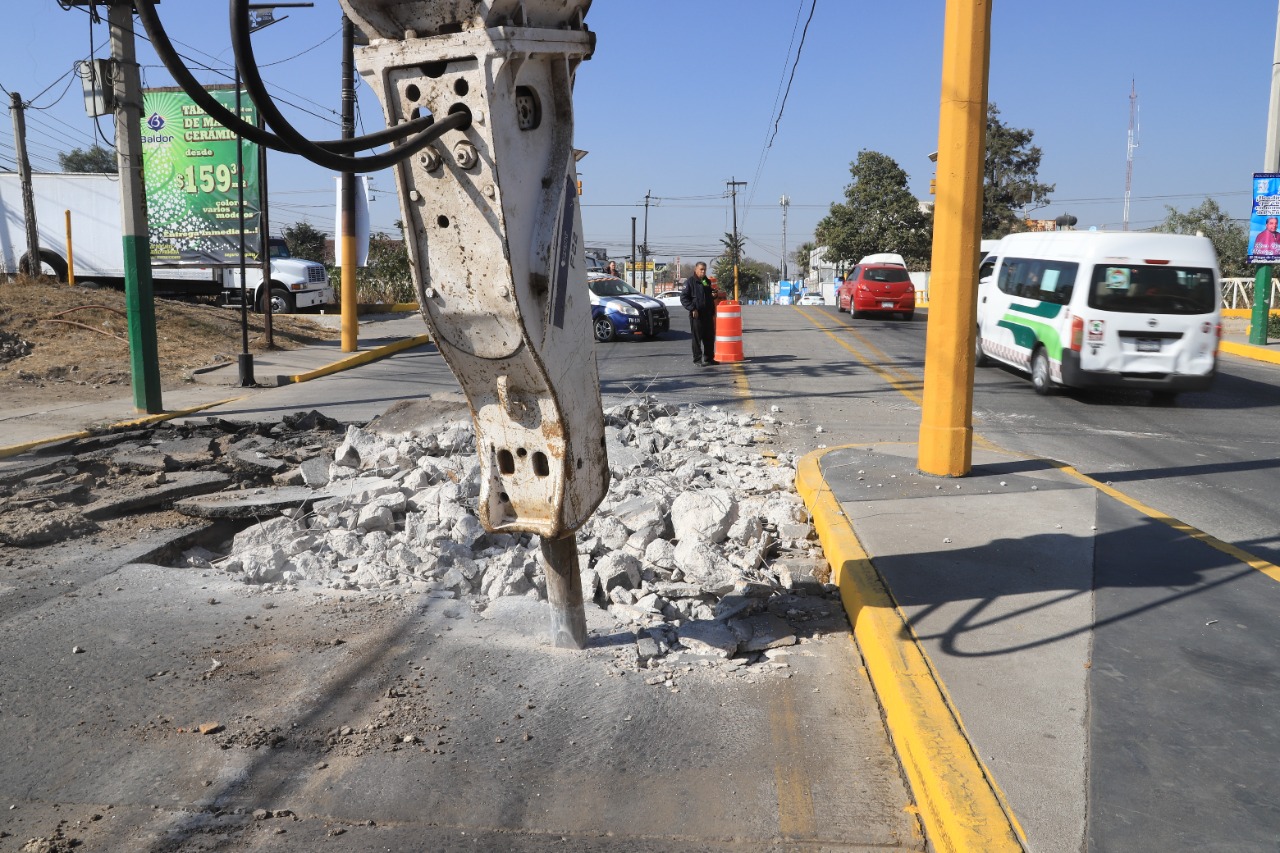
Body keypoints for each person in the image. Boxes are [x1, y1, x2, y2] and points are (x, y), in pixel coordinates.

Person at [679, 262, 717, 366]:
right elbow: (684, 298)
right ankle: (697, 359)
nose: (703, 271)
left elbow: (708, 294)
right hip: (697, 315)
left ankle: (709, 358)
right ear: (696, 269)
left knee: (709, 337)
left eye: (704, 269)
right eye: (701, 269)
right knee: (697, 338)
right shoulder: (690, 282)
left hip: (708, 314)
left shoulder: (706, 281)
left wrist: (713, 294)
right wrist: (692, 308)